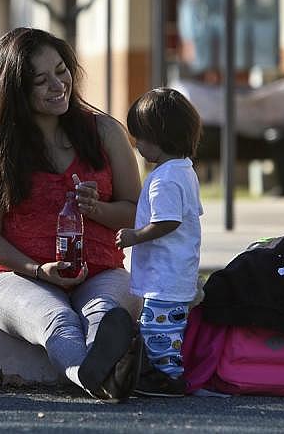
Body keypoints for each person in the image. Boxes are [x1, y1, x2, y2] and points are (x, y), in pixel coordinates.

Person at [0, 27, 143, 400]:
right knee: (57, 321)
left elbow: (136, 213)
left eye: (61, 70)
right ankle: (94, 377)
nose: (58, 85)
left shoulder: (104, 131)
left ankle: (98, 374)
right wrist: (39, 271)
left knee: (103, 314)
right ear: (15, 92)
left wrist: (98, 209)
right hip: (20, 278)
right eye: (41, 80)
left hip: (101, 271)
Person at [115, 87, 203, 397]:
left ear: (160, 137)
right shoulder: (184, 170)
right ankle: (163, 373)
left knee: (158, 331)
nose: (136, 144)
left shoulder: (165, 178)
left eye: (140, 137)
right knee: (166, 329)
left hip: (165, 277)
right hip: (176, 273)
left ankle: (167, 379)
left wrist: (134, 236)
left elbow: (169, 221)